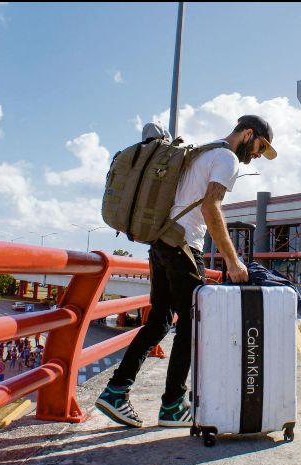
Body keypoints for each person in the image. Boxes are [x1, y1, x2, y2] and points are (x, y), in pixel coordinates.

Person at [95, 115, 277, 428]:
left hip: (162, 243)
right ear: (248, 134)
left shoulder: (204, 152)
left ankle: (116, 391)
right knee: (193, 327)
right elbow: (211, 208)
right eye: (260, 146)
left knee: (159, 321)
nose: (258, 154)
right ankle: (172, 405)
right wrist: (233, 261)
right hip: (182, 247)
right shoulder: (227, 158)